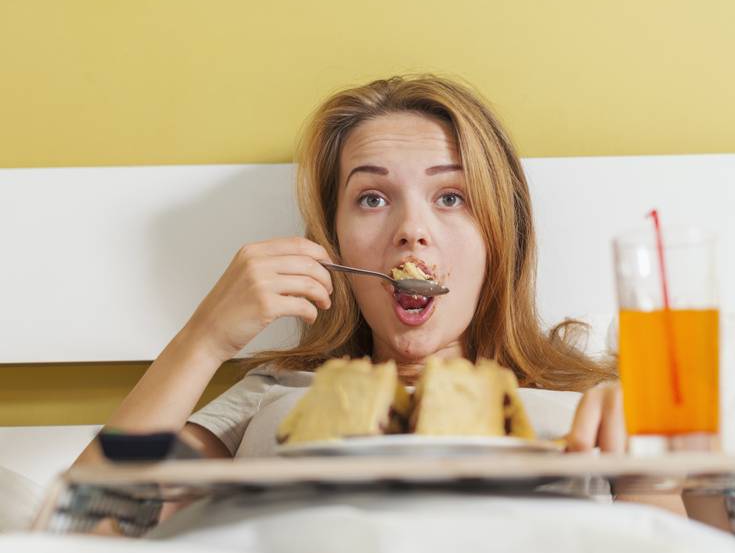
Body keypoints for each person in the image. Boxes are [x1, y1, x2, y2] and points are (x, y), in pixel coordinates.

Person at [74, 74, 626, 468]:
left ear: (501, 235)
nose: (412, 229)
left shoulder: (596, 402)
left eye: (451, 196)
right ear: (333, 241)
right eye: (372, 199)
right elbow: (84, 530)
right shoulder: (272, 394)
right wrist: (204, 338)